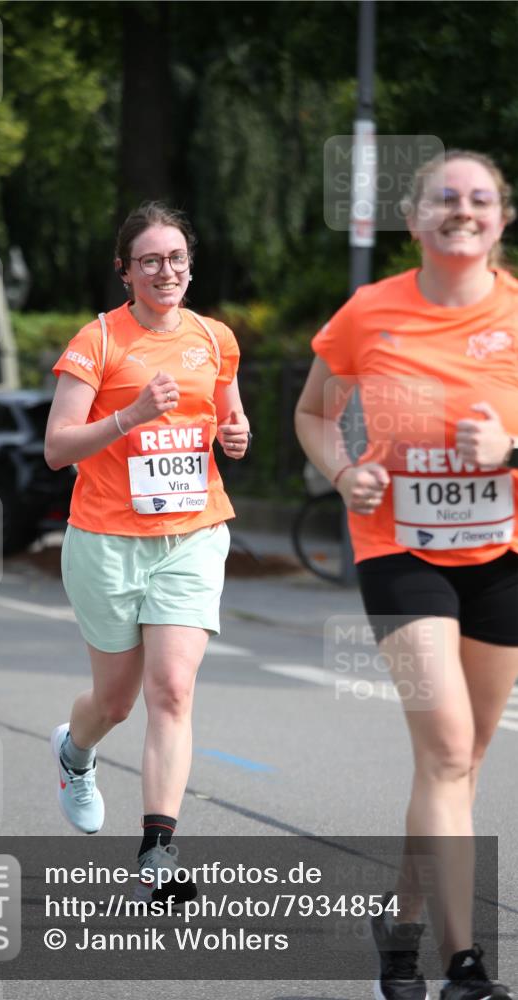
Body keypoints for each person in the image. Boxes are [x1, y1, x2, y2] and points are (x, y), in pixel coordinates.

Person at [295, 150, 517, 1000]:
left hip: (501, 554)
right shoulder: (368, 311)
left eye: (479, 198)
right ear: (414, 216)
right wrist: (342, 470)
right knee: (448, 749)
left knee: (457, 763)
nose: (461, 209)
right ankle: (465, 967)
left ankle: (400, 920)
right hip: (399, 545)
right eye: (443, 198)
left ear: (500, 218)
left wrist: (508, 449)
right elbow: (314, 412)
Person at [44, 201, 250, 898]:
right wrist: (129, 416)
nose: (166, 271)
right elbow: (56, 447)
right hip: (105, 540)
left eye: (177, 260)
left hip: (191, 533)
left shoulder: (215, 338)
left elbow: (227, 410)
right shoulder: (98, 340)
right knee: (116, 701)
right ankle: (75, 755)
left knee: (172, 688)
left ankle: (156, 850)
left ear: (190, 266)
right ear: (125, 271)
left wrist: (235, 434)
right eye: (151, 261)